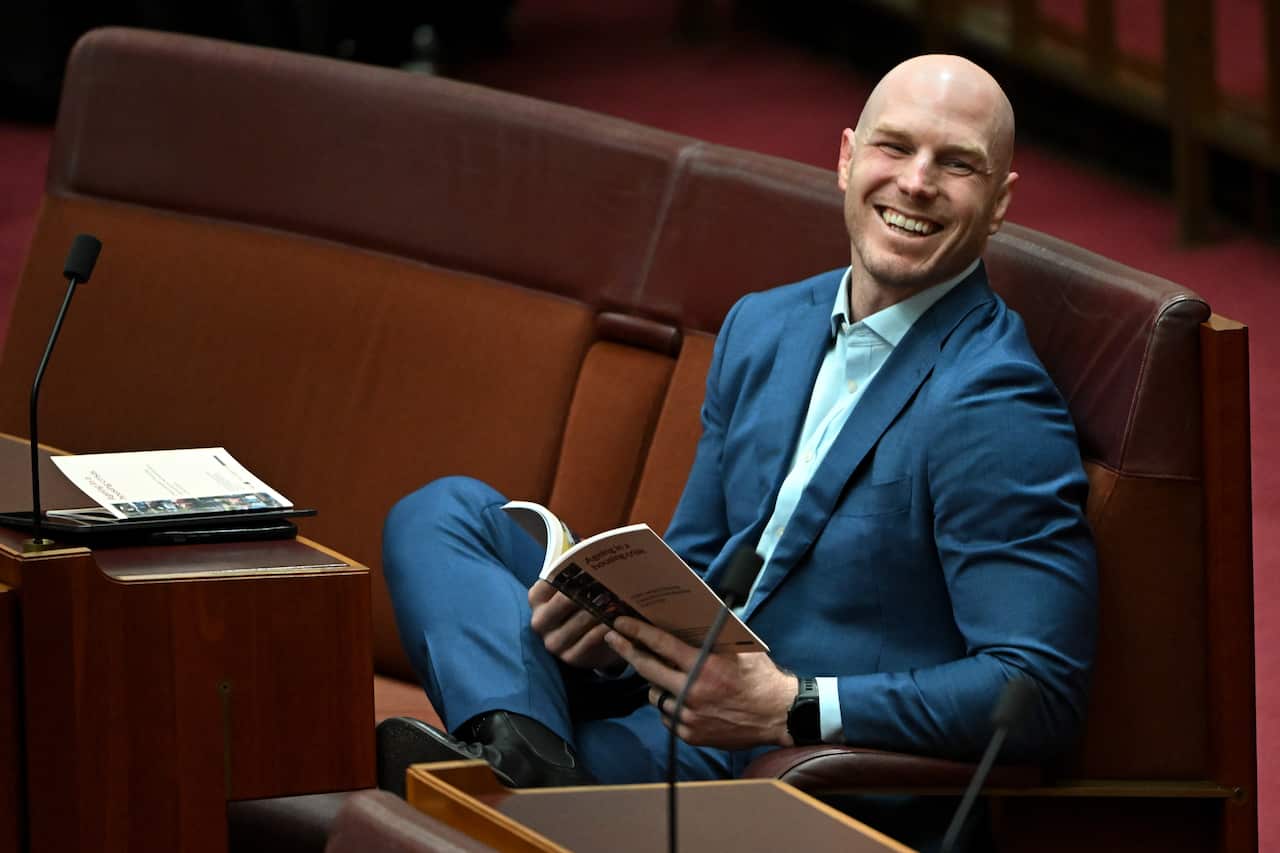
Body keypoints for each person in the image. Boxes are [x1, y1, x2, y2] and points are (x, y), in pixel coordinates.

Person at [379, 53, 1097, 849]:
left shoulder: (993, 400)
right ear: (847, 158)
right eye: (895, 148)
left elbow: (1035, 688)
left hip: (782, 769)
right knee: (442, 513)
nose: (917, 181)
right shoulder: (764, 326)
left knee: (440, 804)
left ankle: (511, 777)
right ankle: (530, 769)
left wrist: (789, 703)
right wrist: (608, 620)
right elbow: (695, 558)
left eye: (957, 163)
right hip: (663, 702)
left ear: (999, 203)